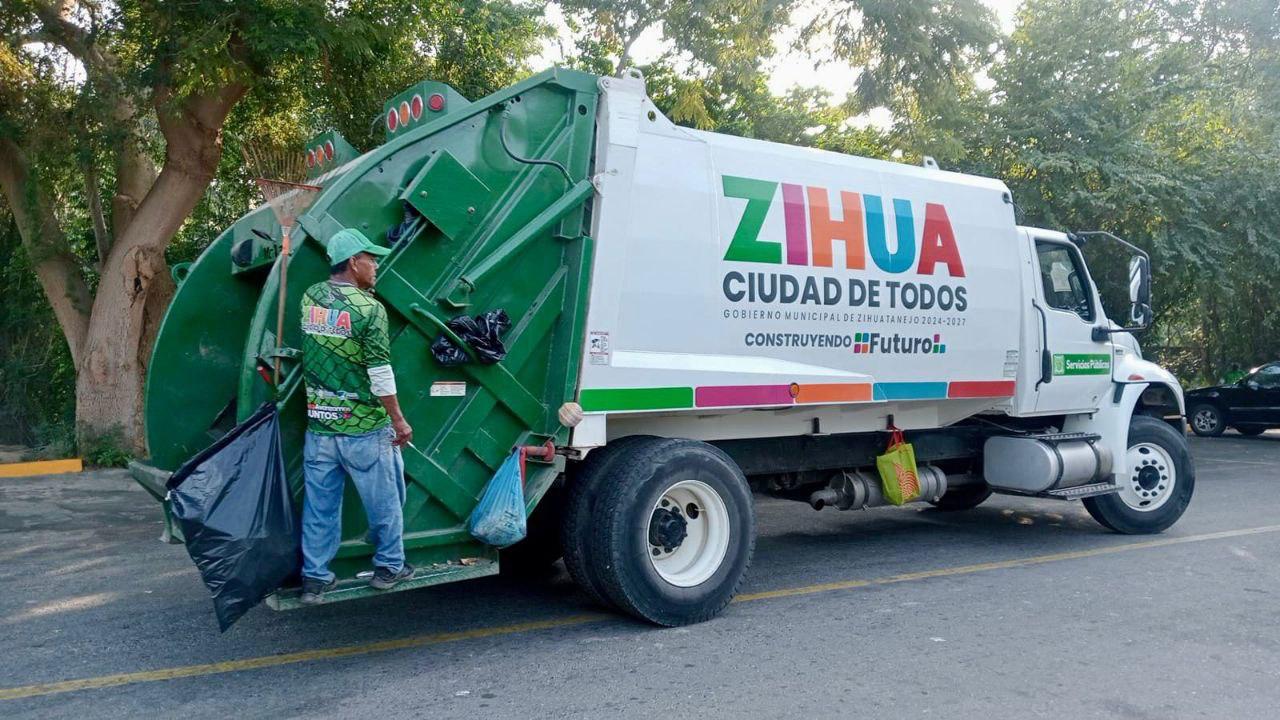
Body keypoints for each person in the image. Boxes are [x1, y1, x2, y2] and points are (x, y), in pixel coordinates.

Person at [298, 228, 415, 605]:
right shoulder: (370, 309)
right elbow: (380, 373)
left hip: (320, 426)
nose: (376, 265)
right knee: (385, 503)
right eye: (371, 259)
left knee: (320, 509)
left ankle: (315, 577)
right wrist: (398, 420)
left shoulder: (310, 297)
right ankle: (390, 567)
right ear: (353, 262)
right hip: (363, 428)